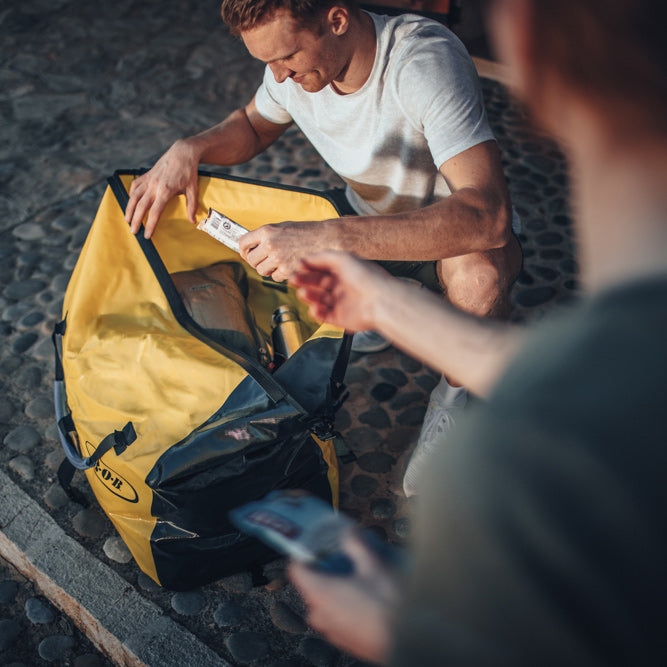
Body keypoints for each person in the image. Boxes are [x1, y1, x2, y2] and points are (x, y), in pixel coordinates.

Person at [287, 0, 667, 663]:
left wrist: (402, 635)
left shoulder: (518, 474)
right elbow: (612, 372)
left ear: (519, 36)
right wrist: (382, 303)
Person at [123, 0, 522, 497]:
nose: (280, 77)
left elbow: (488, 215)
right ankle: (382, 309)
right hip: (365, 219)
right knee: (255, 235)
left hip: (446, 230)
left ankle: (455, 400)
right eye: (266, 63)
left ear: (336, 20)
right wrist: (191, 149)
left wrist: (325, 237)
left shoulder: (422, 62)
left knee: (480, 278)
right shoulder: (292, 71)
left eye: (287, 57)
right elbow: (251, 126)